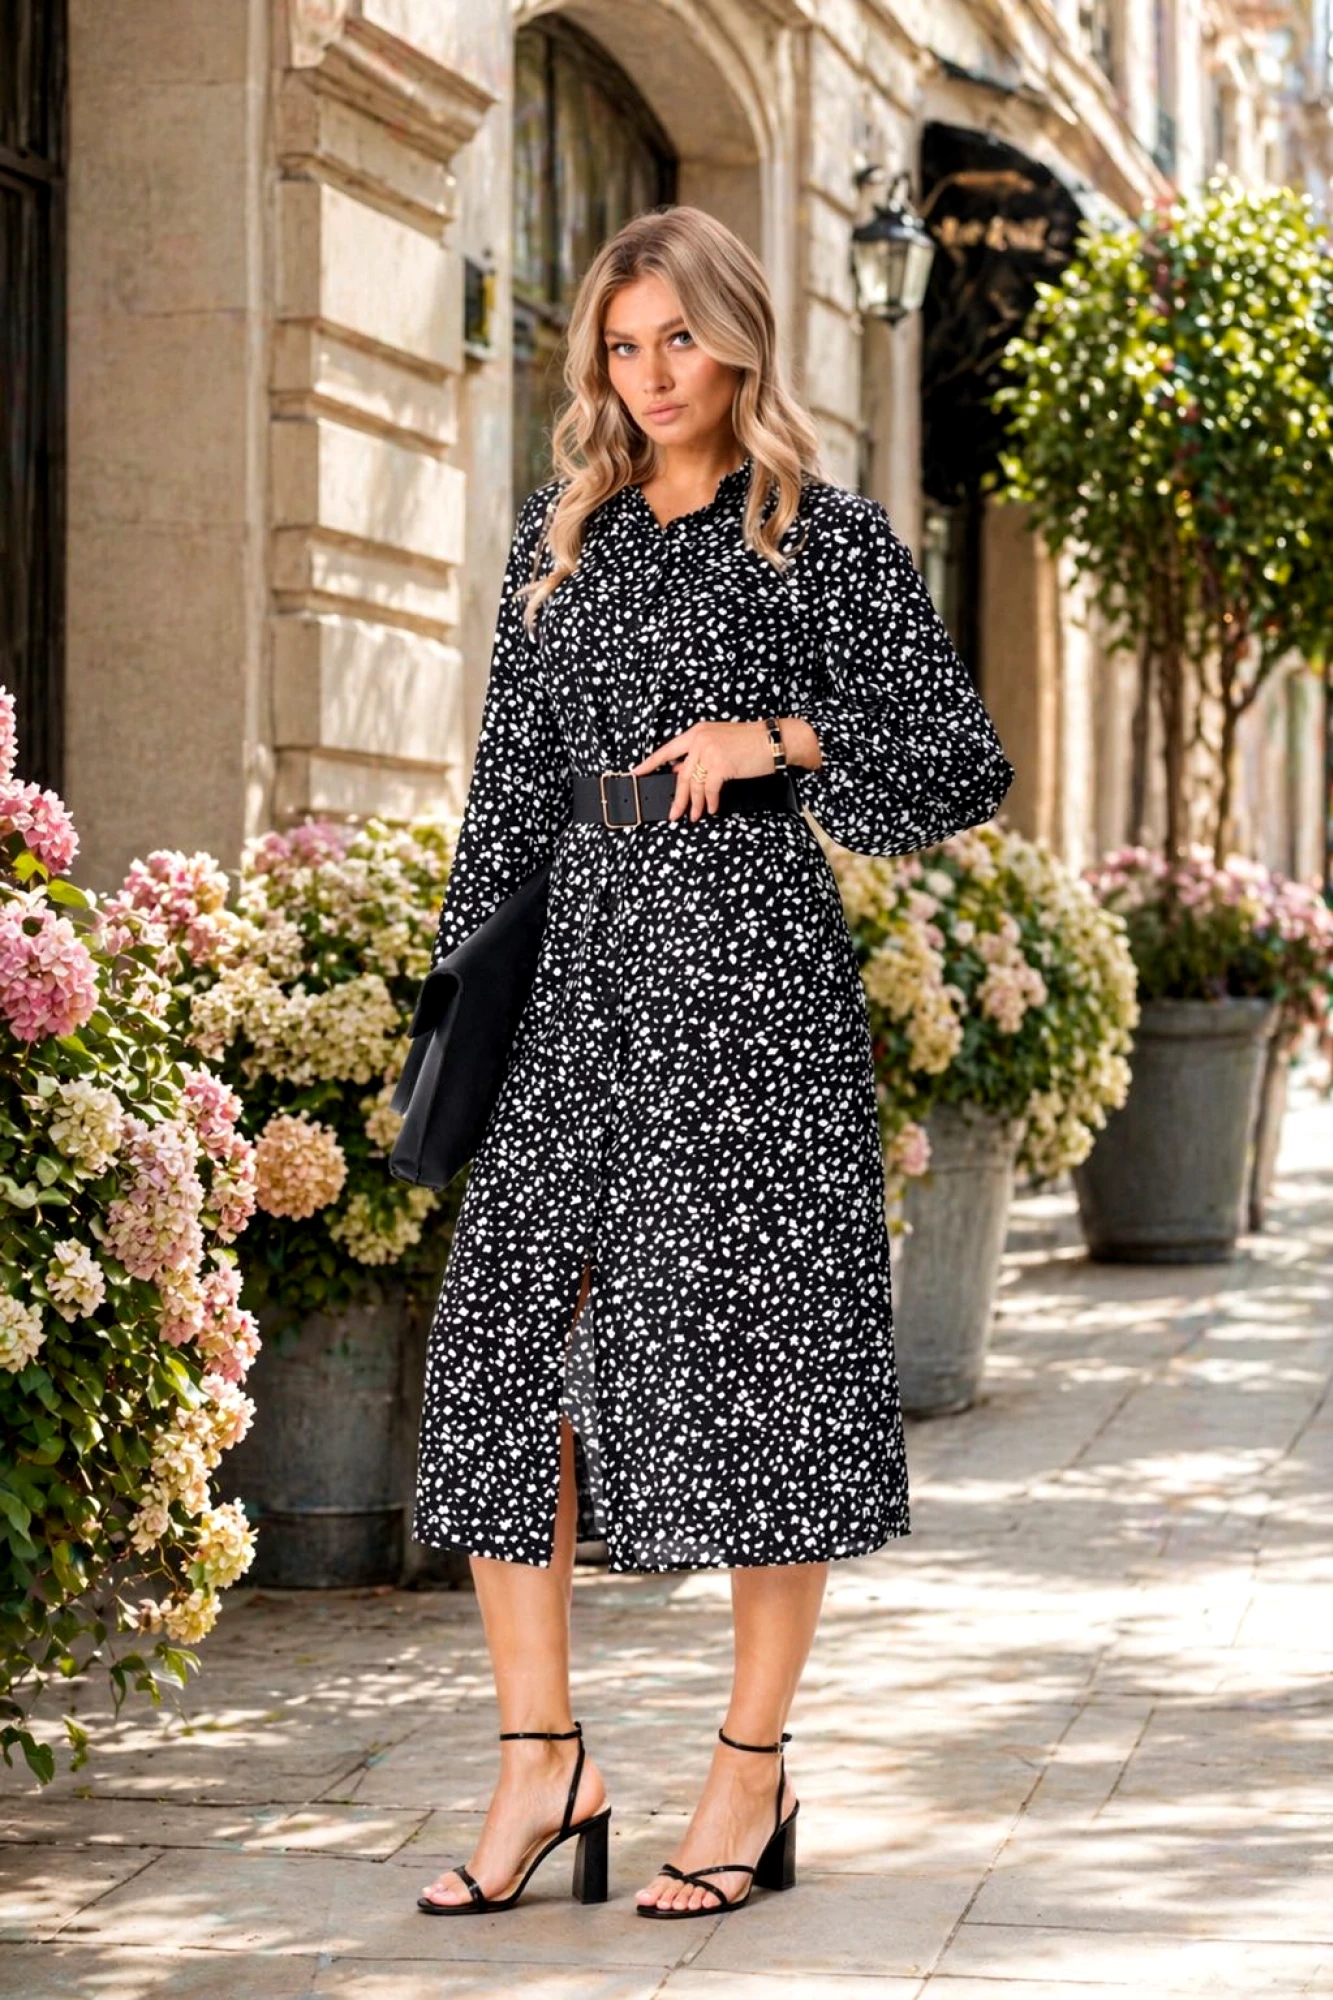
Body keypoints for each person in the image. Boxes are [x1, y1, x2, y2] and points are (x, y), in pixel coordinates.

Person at [413, 204, 1014, 1920]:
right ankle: (544, 1759)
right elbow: (505, 788)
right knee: (496, 1350)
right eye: (623, 346)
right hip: (577, 973)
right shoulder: (561, 536)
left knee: (765, 1358)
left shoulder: (818, 535)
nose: (652, 374)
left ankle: (750, 1769)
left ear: (738, 337)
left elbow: (956, 760)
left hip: (749, 977)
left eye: (679, 337)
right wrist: (457, 1007)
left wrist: (779, 736)